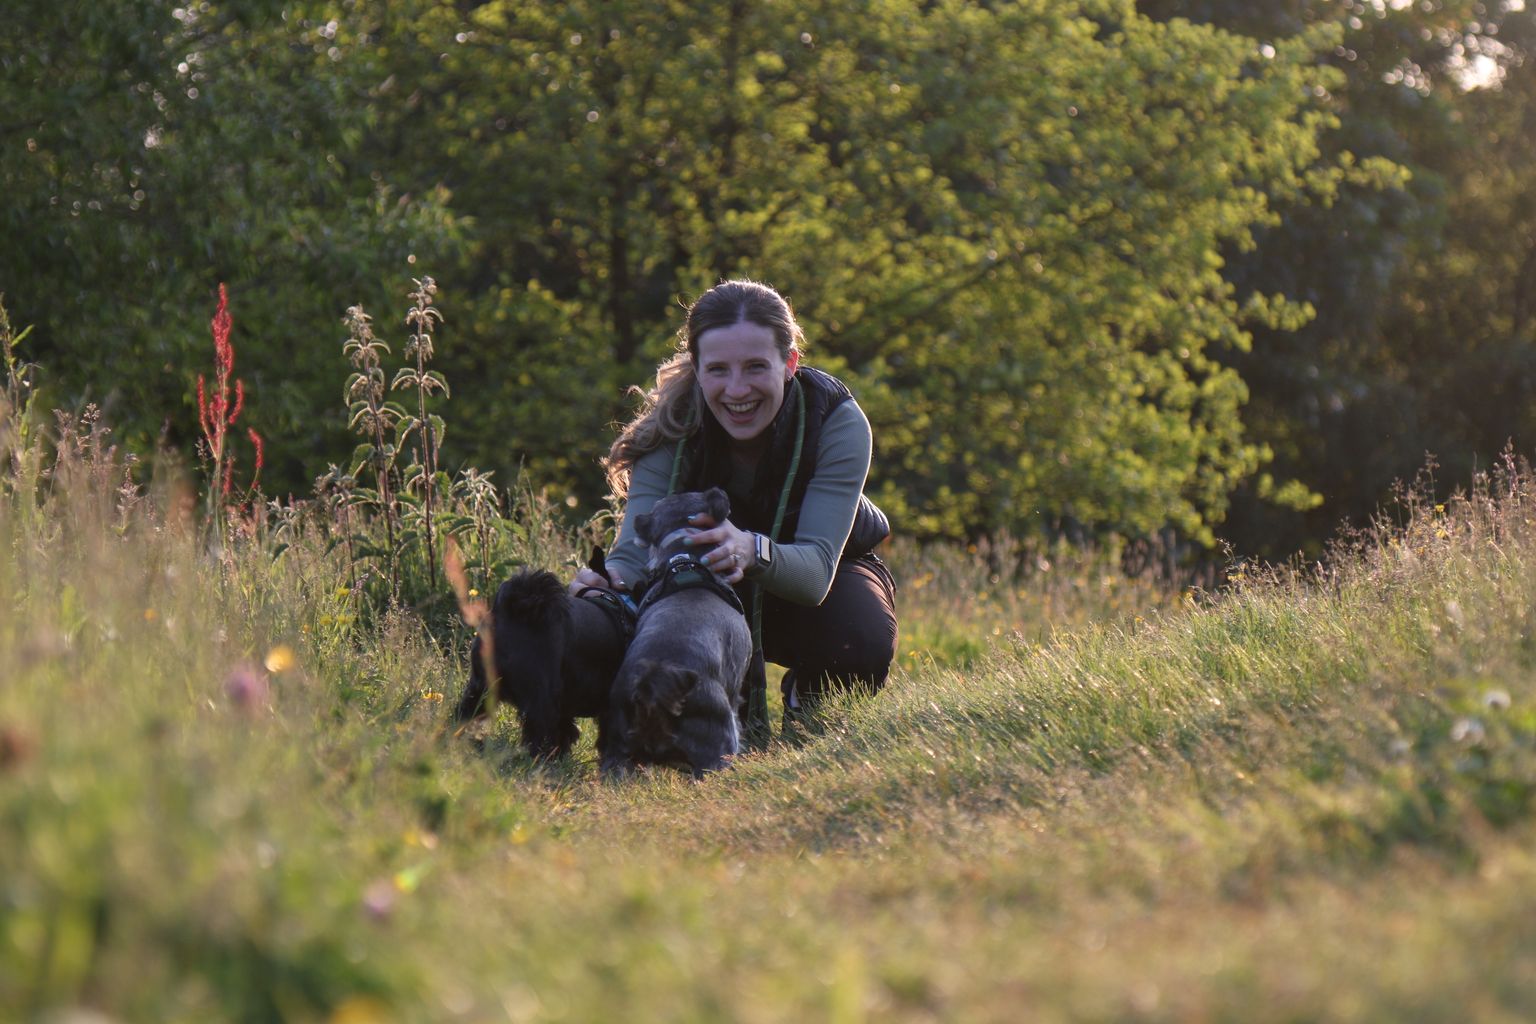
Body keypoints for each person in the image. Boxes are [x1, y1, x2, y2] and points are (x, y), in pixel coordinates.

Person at [570, 279, 897, 718]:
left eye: (756, 367)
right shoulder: (672, 425)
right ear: (698, 368)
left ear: (790, 363)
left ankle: (812, 702)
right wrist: (603, 584)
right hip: (703, 582)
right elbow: (633, 557)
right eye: (719, 370)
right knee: (586, 625)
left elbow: (817, 572)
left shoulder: (836, 419)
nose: (737, 390)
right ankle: (681, 721)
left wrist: (750, 548)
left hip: (819, 575)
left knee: (859, 640)